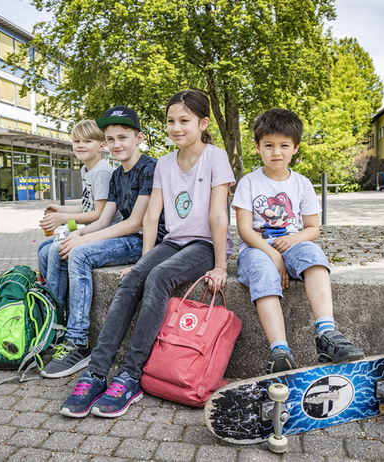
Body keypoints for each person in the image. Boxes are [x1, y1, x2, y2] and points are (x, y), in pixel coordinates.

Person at [60, 89, 235, 418]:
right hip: (173, 241)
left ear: (203, 123)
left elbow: (218, 214)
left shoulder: (216, 157)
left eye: (184, 120)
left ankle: (130, 376)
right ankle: (96, 373)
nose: (176, 127)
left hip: (204, 245)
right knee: (134, 280)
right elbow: (152, 215)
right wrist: (141, 261)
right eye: (171, 121)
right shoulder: (165, 163)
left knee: (159, 278)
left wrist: (222, 265)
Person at [232, 108, 364, 374]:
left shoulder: (302, 184)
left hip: (292, 243)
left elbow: (312, 228)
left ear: (295, 148)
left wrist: (292, 241)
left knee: (313, 255)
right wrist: (273, 255)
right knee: (262, 270)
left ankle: (327, 333)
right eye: (268, 145)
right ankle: (280, 350)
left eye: (284, 146)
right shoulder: (248, 182)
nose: (276, 152)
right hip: (257, 249)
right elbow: (245, 231)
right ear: (257, 147)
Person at [40, 106, 166, 379]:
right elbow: (103, 218)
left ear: (139, 138)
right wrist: (78, 234)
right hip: (127, 236)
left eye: (123, 137)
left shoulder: (150, 168)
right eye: (111, 139)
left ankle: (78, 342)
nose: (116, 144)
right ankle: (53, 328)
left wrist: (84, 242)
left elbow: (135, 223)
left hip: (148, 240)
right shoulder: (117, 175)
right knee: (65, 248)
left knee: (80, 255)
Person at [37, 119, 119, 306]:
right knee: (42, 250)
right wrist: (60, 210)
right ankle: (56, 298)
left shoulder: (102, 172)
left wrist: (63, 218)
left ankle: (54, 308)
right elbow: (87, 205)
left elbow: (99, 214)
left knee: (56, 251)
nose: (81, 145)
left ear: (101, 146)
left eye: (88, 141)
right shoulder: (86, 169)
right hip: (92, 230)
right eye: (77, 141)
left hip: (106, 231)